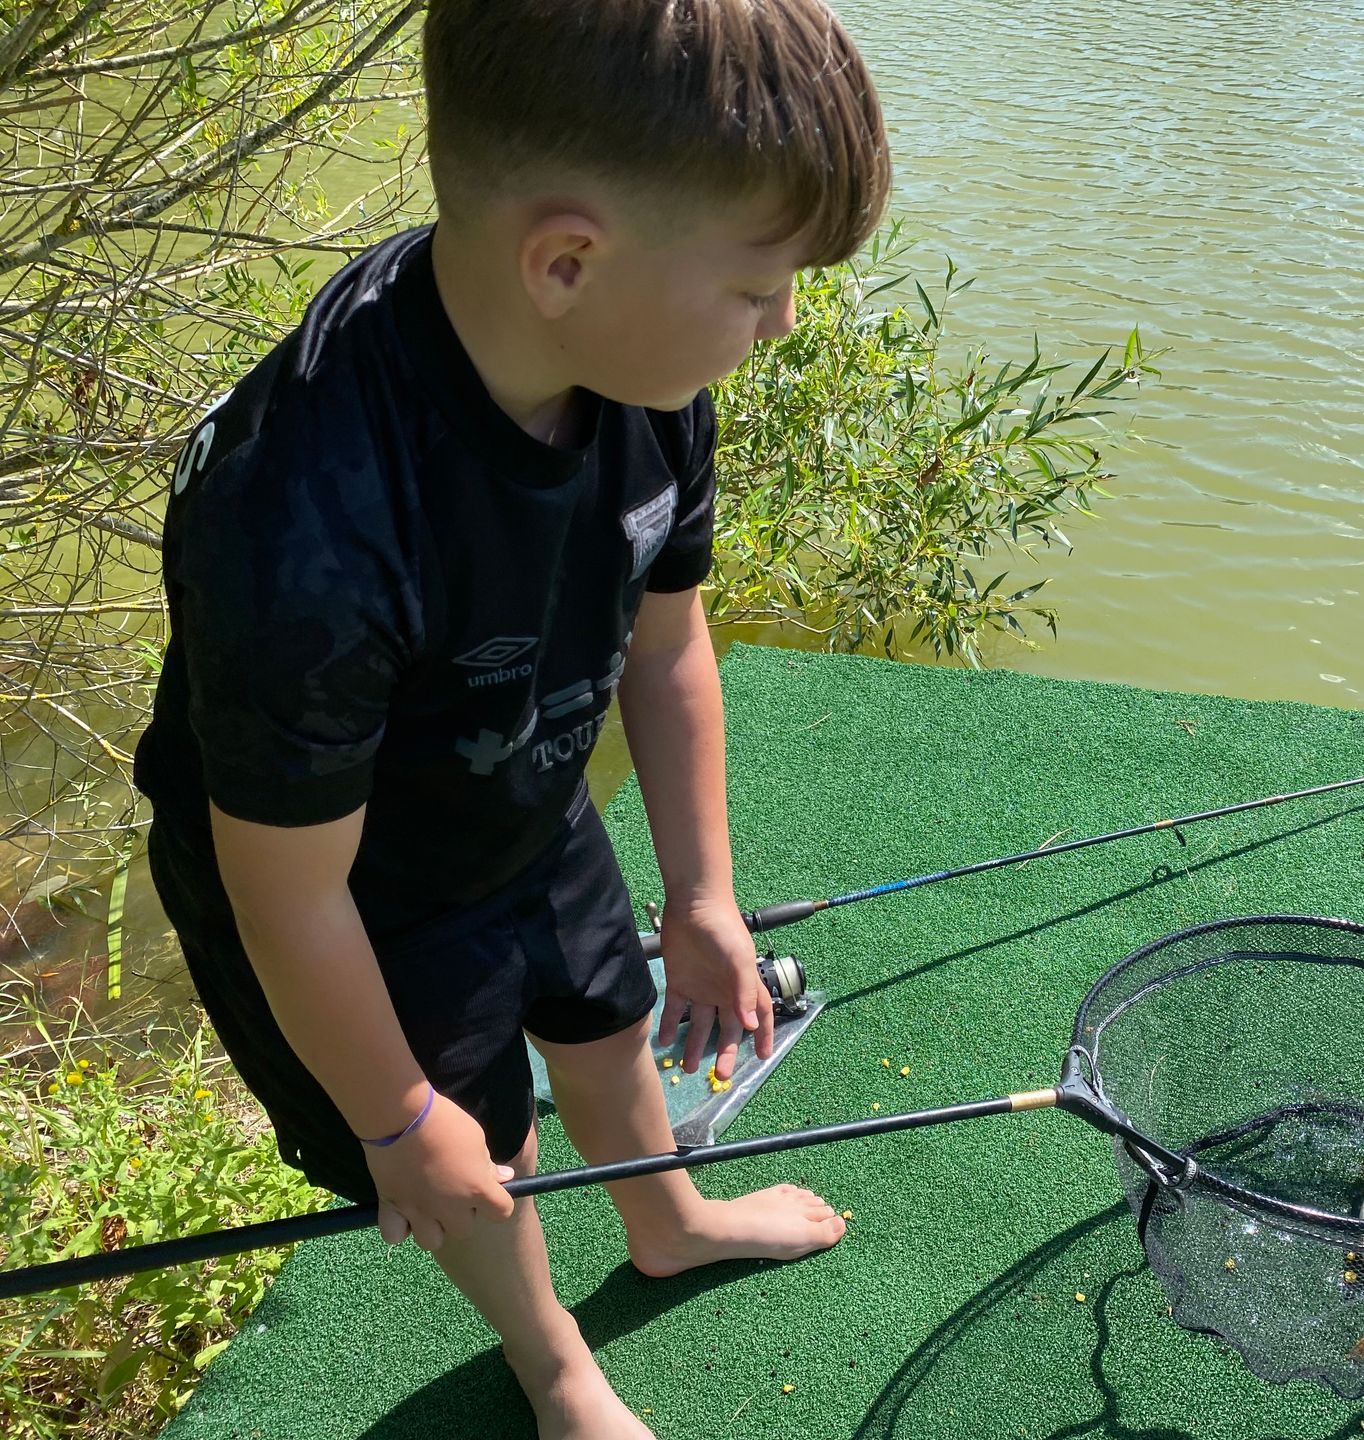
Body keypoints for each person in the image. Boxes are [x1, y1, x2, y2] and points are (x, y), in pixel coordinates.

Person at [129, 2, 891, 1434]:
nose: (783, 321)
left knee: (607, 1017)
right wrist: (400, 1125)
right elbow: (285, 898)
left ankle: (667, 1221)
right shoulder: (304, 522)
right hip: (349, 899)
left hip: (522, 793)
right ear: (567, 261)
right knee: (478, 1148)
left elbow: (666, 642)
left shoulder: (646, 370)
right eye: (759, 285)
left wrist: (706, 895)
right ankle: (554, 1363)